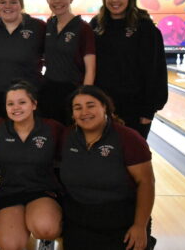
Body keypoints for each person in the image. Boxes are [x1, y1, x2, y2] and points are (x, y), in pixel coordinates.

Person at [60, 85, 155, 250]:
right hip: (79, 219)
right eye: (78, 108)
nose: (84, 112)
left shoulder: (128, 138)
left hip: (122, 220)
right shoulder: (67, 137)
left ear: (104, 107)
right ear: (73, 114)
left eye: (91, 105)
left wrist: (140, 226)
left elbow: (146, 183)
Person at [90, 0, 168, 139]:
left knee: (132, 159)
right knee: (103, 158)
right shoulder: (96, 25)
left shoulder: (145, 27)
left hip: (135, 107)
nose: (115, 0)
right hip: (101, 105)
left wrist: (149, 110)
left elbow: (156, 70)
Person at [0, 81, 62, 250]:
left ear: (34, 104)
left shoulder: (52, 128)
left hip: (42, 190)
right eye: (10, 103)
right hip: (9, 191)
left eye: (22, 102)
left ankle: (46, 243)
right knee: (10, 246)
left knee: (46, 228)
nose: (16, 107)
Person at [39, 0, 96, 125]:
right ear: (47, 0)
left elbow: (90, 69)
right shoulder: (49, 25)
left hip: (72, 91)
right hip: (48, 91)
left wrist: (83, 97)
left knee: (69, 139)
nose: (58, 1)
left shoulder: (83, 28)